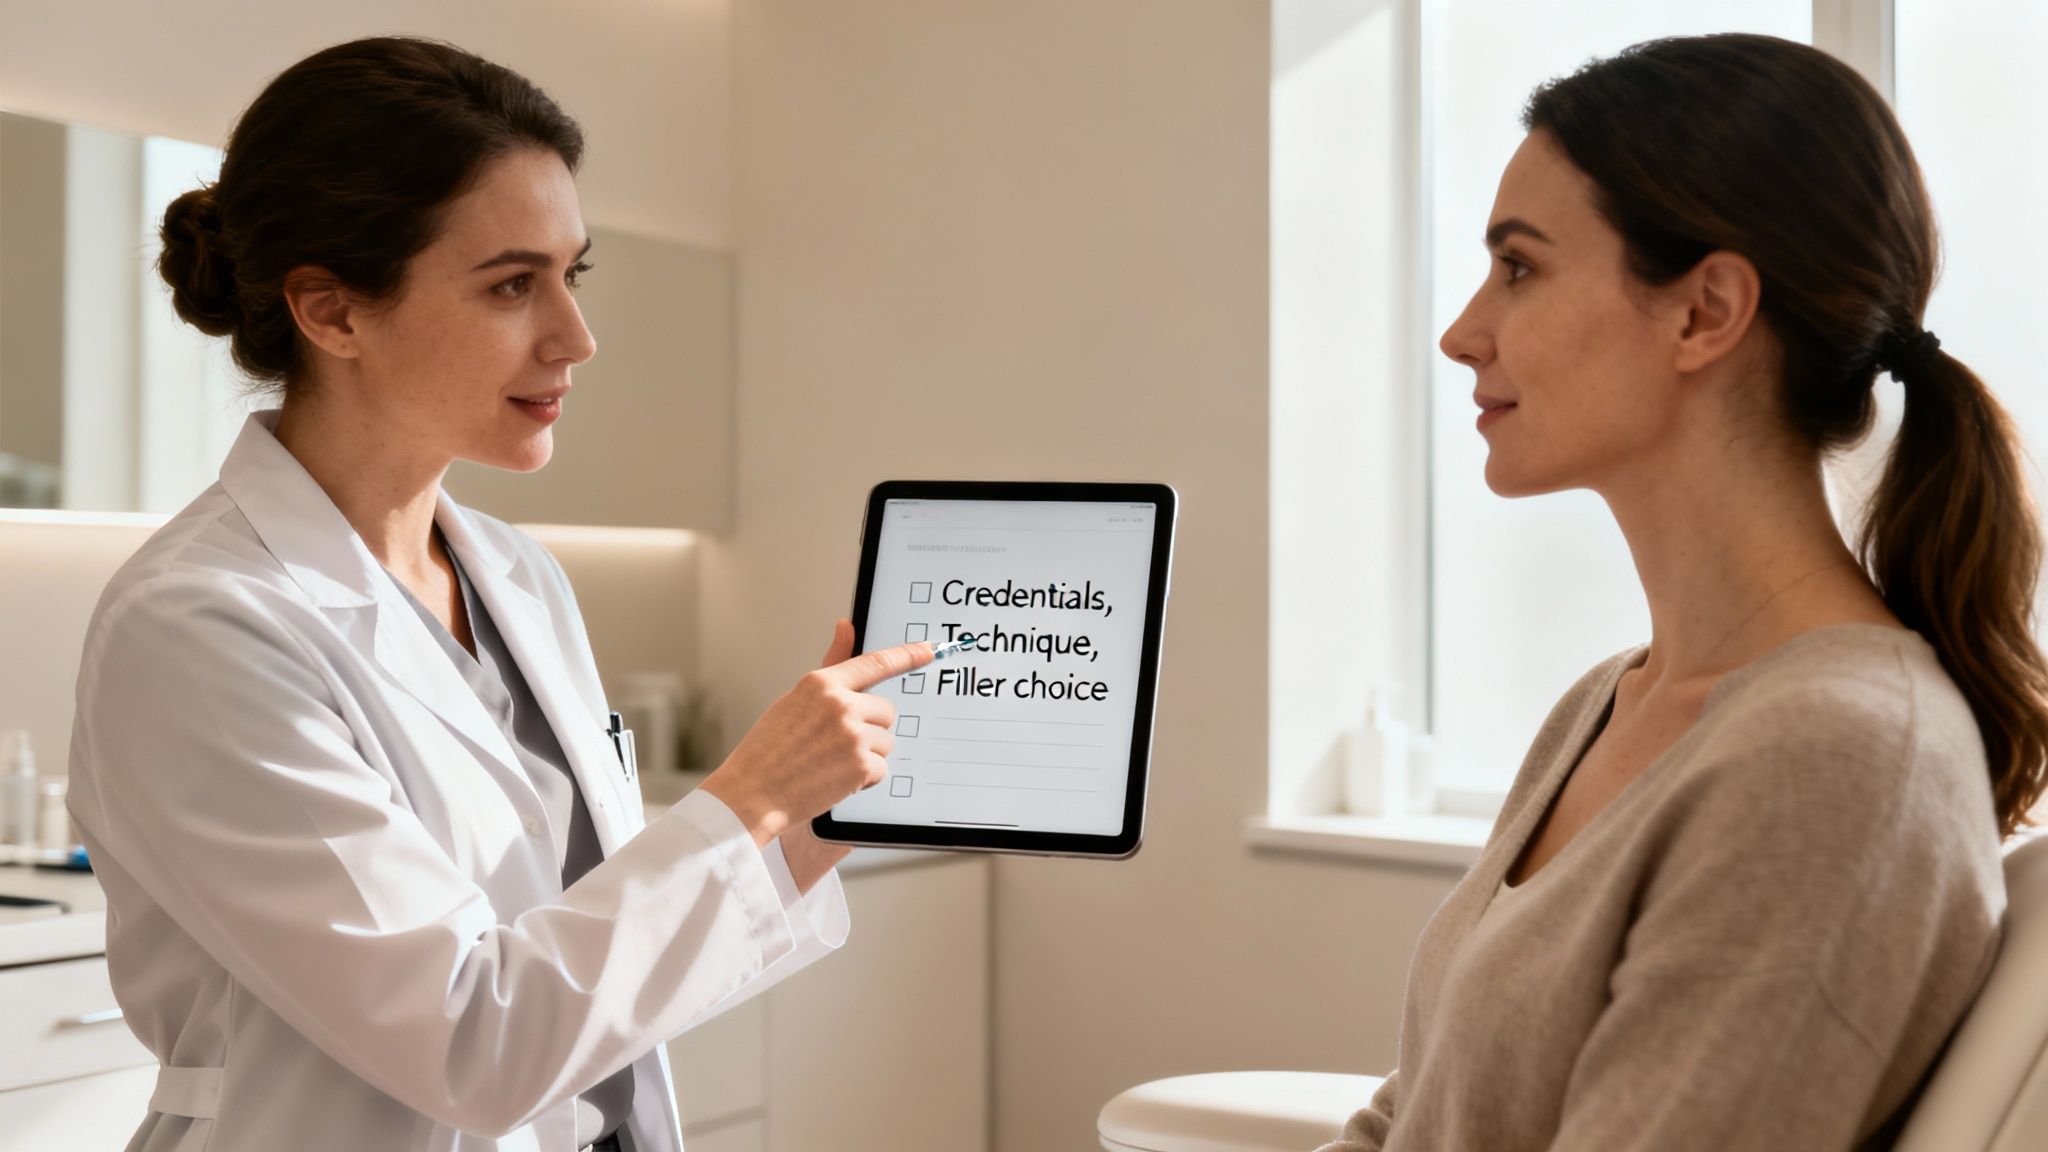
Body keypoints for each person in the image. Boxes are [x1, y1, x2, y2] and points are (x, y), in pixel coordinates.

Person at [64, 37, 930, 1152]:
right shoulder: (200, 625)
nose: (575, 337)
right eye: (512, 284)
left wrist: (823, 807)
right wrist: (748, 791)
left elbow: (601, 946)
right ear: (330, 313)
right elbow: (467, 1040)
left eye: (572, 275)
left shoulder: (519, 578)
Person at [1322, 33, 2048, 1152]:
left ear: (1704, 312)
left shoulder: (1834, 759)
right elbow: (1412, 1118)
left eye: (1518, 267)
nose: (1461, 331)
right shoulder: (1609, 703)